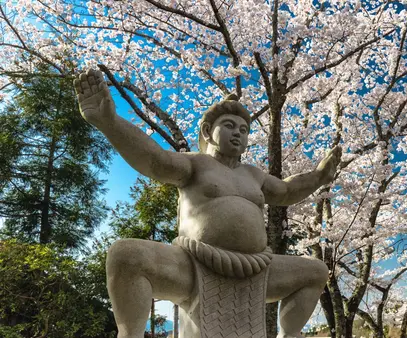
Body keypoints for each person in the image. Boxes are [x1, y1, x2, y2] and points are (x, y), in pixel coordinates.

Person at [74, 69, 341, 338]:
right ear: (207, 130)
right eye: (229, 125)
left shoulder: (254, 175)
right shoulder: (194, 163)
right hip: (192, 264)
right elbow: (154, 160)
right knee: (126, 256)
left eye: (244, 130)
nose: (238, 133)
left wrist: (319, 177)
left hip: (257, 269)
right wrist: (109, 122)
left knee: (315, 272)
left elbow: (286, 191)